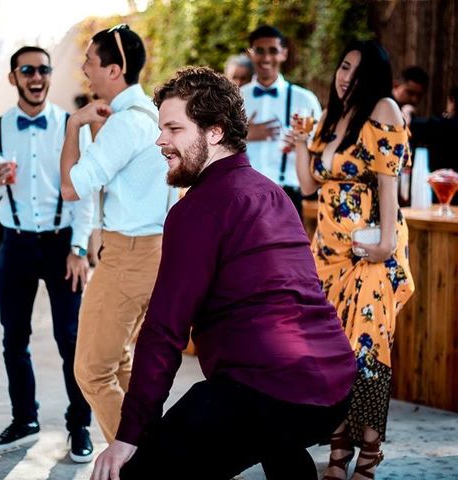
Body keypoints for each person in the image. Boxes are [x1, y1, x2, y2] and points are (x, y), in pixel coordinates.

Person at [91, 66, 356, 480]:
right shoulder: (274, 194)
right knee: (273, 435)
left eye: (174, 129)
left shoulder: (197, 210)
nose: (160, 140)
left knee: (144, 473)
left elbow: (164, 330)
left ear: (214, 133)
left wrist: (129, 435)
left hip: (270, 388)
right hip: (334, 384)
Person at [289, 40, 415, 479]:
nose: (346, 77)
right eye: (344, 67)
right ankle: (339, 450)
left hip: (369, 255)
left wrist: (381, 249)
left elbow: (388, 187)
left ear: (374, 80)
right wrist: (303, 143)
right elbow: (309, 187)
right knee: (336, 357)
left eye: (357, 72)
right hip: (327, 256)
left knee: (367, 354)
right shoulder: (332, 116)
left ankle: (369, 454)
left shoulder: (383, 109)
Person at [0, 45, 95, 462]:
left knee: (70, 339)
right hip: (17, 243)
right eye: (27, 69)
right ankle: (24, 419)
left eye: (43, 69)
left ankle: (79, 424)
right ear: (13, 78)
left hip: (63, 244)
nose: (37, 76)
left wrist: (80, 247)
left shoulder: (70, 125)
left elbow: (84, 193)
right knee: (14, 338)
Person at [60, 24, 175, 444]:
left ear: (113, 69)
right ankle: (157, 450)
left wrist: (74, 125)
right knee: (124, 363)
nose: (84, 69)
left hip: (128, 257)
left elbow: (72, 187)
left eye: (89, 61)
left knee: (91, 370)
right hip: (153, 253)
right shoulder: (151, 113)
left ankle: (136, 463)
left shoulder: (126, 123)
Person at [240, 25, 322, 217]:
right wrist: (244, 133)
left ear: (284, 54)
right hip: (243, 194)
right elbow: (215, 143)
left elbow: (320, 147)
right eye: (260, 51)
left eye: (273, 51)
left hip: (288, 194)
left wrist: (303, 145)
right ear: (250, 54)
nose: (266, 58)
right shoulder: (236, 98)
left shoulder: (304, 100)